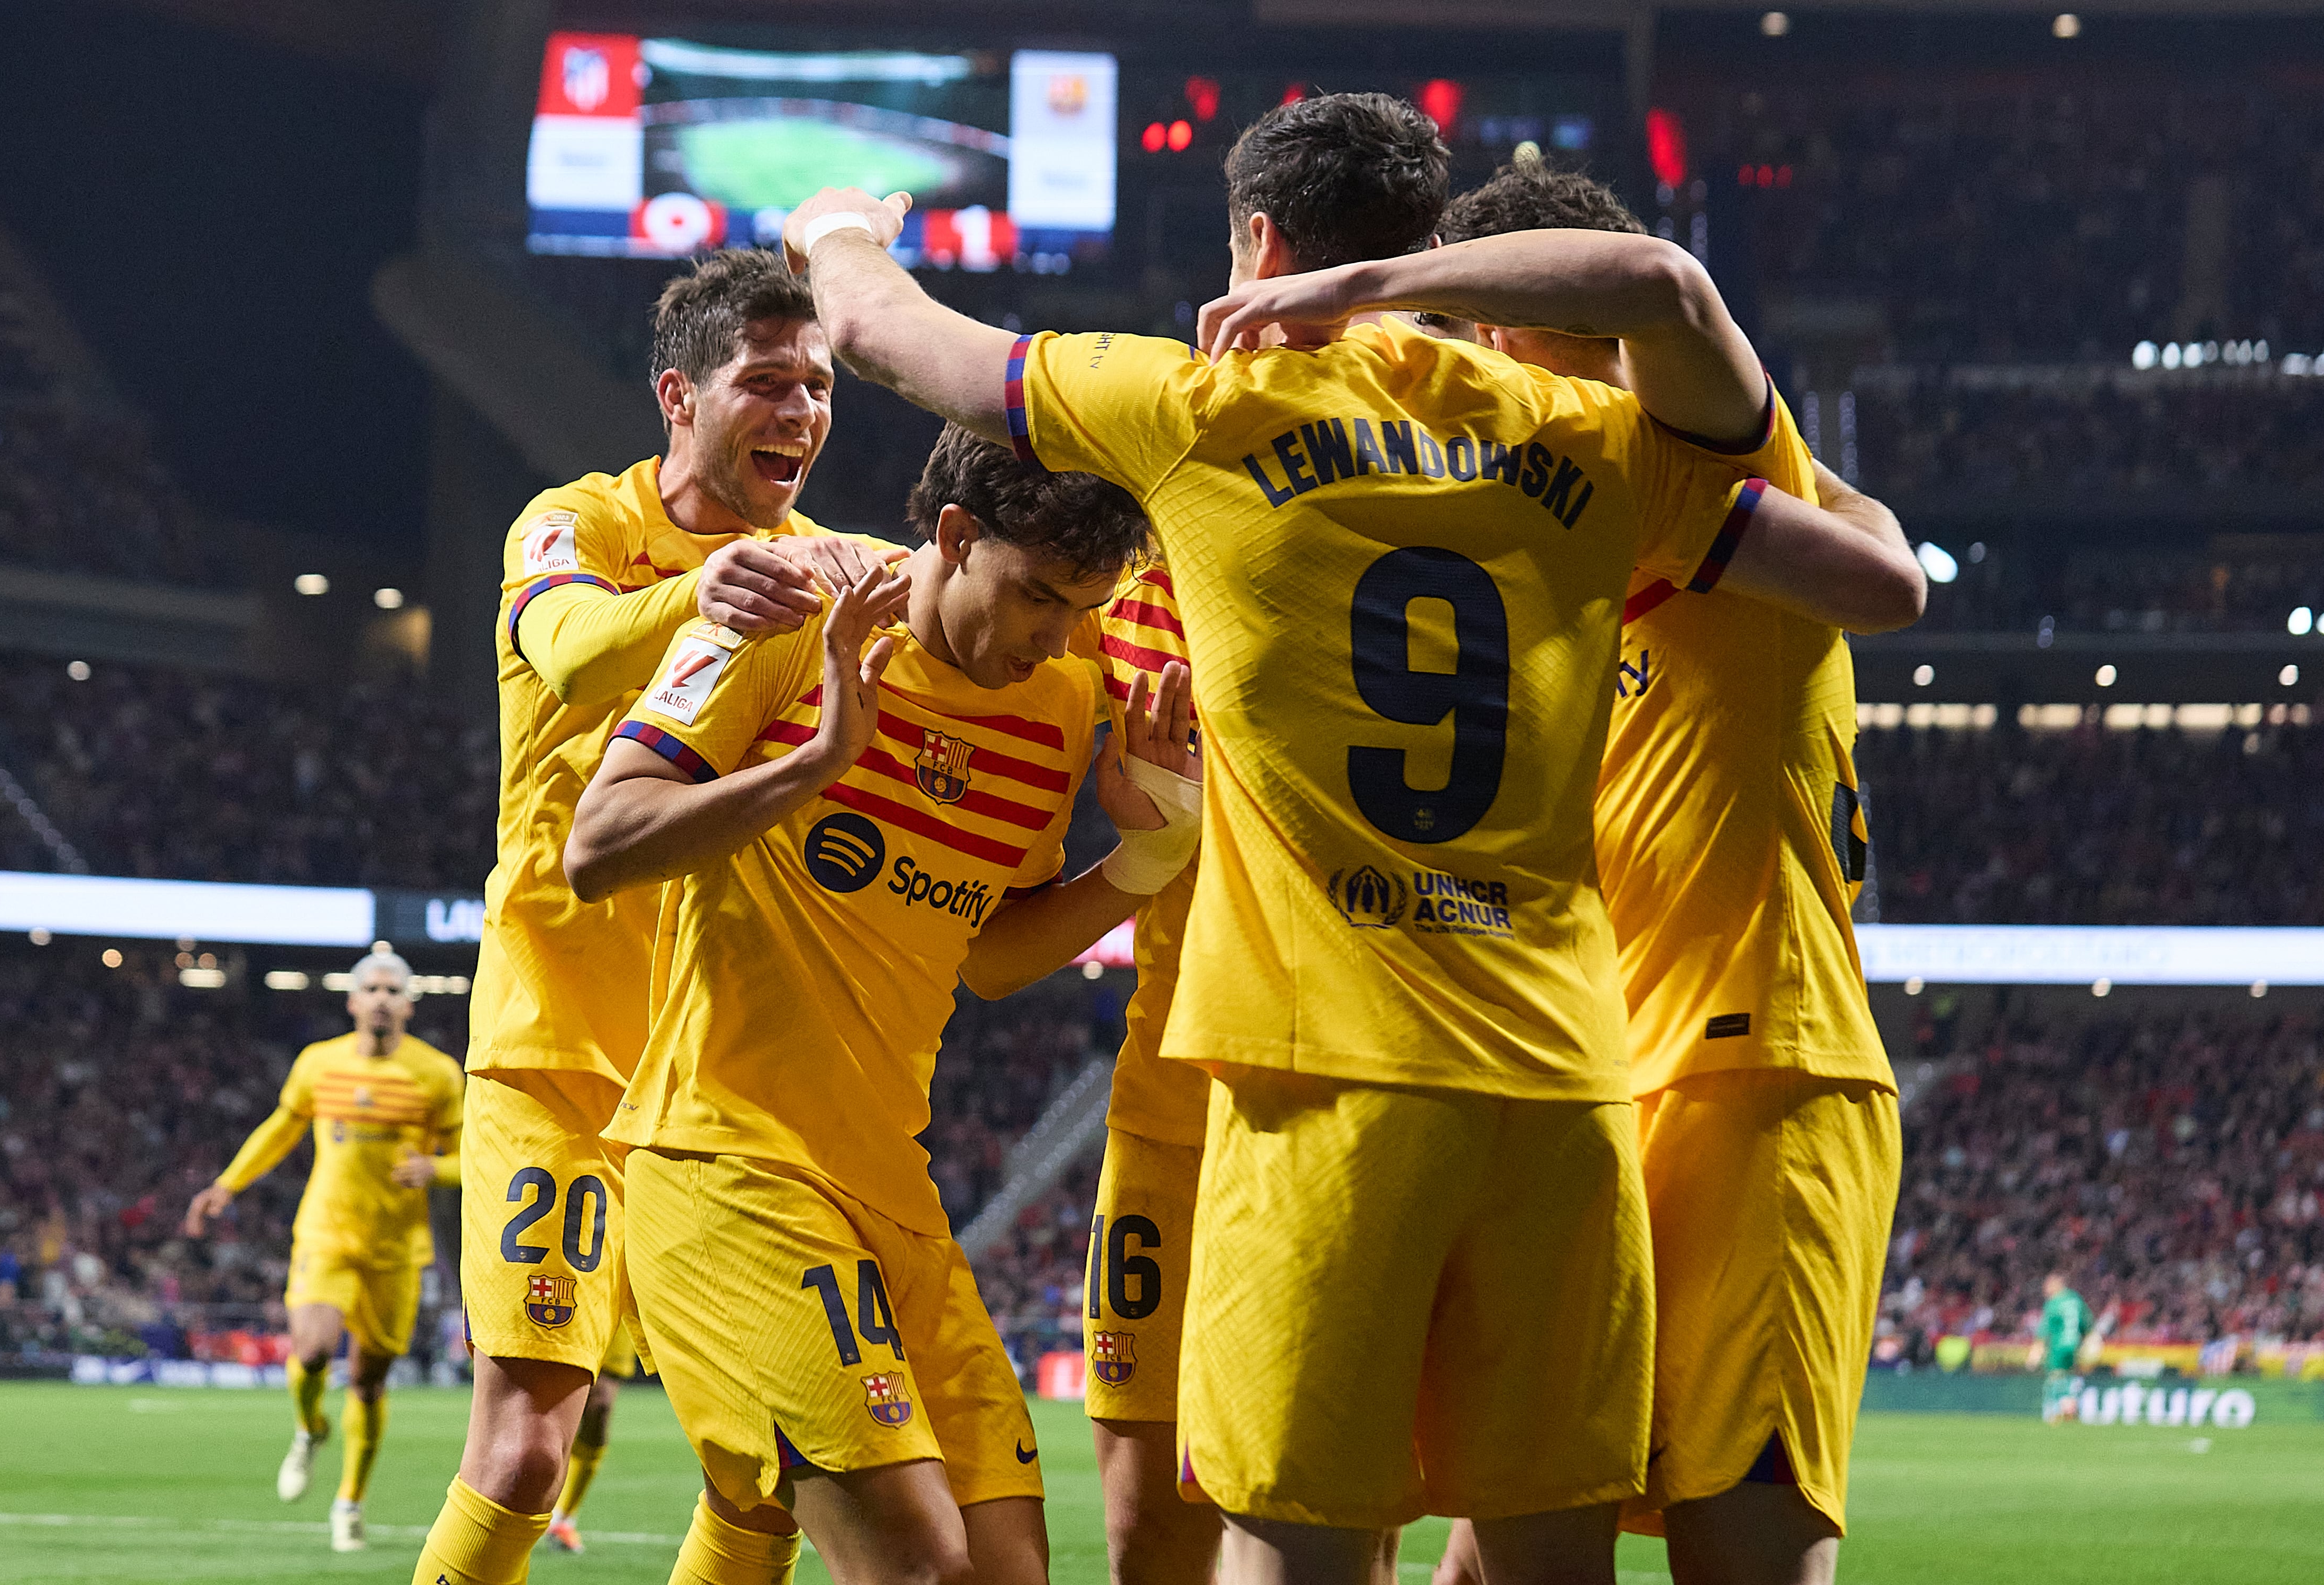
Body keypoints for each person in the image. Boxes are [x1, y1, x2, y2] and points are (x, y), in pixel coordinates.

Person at [776, 87, 1922, 1585]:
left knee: (1300, 1544)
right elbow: (1864, 580)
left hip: (1331, 1079)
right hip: (1566, 1087)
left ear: (1257, 241)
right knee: (1536, 1551)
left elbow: (878, 334)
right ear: (1433, 246)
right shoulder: (1584, 434)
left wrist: (835, 230)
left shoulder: (1201, 409)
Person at [564, 425, 1197, 1585]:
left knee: (1009, 1571)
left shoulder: (1057, 705)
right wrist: (813, 763)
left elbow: (992, 958)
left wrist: (1142, 866)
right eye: (1039, 597)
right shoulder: (799, 621)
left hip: (896, 1197)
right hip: (728, 1170)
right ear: (954, 534)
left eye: (1082, 608)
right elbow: (597, 847)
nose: (1060, 638)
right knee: (922, 1570)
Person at [1422, 153, 1909, 1585]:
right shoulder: (1606, 531)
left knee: (1738, 1555)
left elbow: (1659, 289)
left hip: (1757, 1083)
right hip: (1600, 1094)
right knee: (1501, 1551)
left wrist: (1369, 284)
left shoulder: (1707, 470)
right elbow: (1870, 536)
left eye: (1470, 328)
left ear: (1525, 327)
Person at [415, 247, 898, 1585]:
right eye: (767, 381)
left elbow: (975, 597)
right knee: (524, 1444)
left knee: (769, 1470)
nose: (800, 409)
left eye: (818, 384)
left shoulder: (826, 570)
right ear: (679, 395)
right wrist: (702, 590)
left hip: (726, 1077)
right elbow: (566, 646)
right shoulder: (573, 520)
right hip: (559, 1042)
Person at [184, 949, 464, 1553]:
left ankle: (350, 1503)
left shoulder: (438, 1075)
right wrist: (227, 1185)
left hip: (395, 1248)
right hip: (326, 1235)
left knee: (369, 1381)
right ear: (354, 1001)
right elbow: (283, 1127)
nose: (384, 998)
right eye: (375, 989)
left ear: (410, 1004)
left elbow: (475, 1158)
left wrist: (436, 1169)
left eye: (395, 990)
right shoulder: (320, 1063)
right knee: (310, 1351)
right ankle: (310, 1429)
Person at [1067, 564, 1223, 1585]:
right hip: (1165, 1105)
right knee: (1146, 1544)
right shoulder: (1103, 602)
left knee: (1322, 1531)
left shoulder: (1363, 545)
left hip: (1330, 1104)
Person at [542, 1319, 640, 1555]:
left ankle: (565, 1517)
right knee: (554, 1405)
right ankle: (530, 1510)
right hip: (579, 1295)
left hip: (623, 1306)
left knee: (601, 1405)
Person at [2030, 1273, 2096, 1423]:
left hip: (2058, 1346)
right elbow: (2088, 1325)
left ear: (2056, 1285)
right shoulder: (2076, 1300)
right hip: (2075, 1346)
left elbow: (2043, 1331)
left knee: (2055, 1377)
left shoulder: (2054, 1303)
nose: (2044, 1289)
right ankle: (2070, 1407)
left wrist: (2035, 1353)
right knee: (2068, 1377)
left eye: (2047, 1285)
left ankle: (2055, 1412)